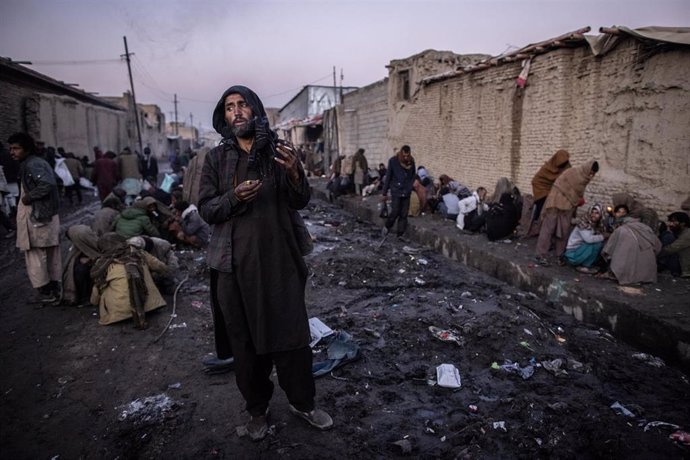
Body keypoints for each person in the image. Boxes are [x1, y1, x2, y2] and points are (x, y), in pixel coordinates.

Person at [198, 84, 332, 441]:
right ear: (223, 116)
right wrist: (233, 197)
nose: (237, 111)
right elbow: (207, 209)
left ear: (255, 111)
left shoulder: (279, 152)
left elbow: (301, 201)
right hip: (234, 268)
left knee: (292, 339)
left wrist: (294, 174)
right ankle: (257, 410)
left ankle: (303, 403)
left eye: (243, 105)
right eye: (229, 107)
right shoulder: (216, 159)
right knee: (245, 346)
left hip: (279, 265)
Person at [8, 132, 62, 304]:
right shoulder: (36, 163)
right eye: (11, 148)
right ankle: (54, 289)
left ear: (27, 149)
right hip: (45, 214)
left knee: (36, 255)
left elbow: (47, 184)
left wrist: (28, 197)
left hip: (38, 216)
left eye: (16, 148)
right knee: (50, 253)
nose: (12, 152)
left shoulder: (33, 164)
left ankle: (46, 293)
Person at [90, 232, 167, 329]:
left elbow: (96, 288)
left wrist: (94, 302)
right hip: (151, 306)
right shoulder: (138, 252)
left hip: (118, 314)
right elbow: (161, 267)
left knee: (103, 286)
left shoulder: (101, 264)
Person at [535, 160, 598, 266]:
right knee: (548, 230)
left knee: (564, 231)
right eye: (590, 172)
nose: (591, 176)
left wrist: (575, 201)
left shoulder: (584, 180)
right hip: (554, 204)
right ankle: (540, 255)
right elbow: (559, 186)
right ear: (587, 168)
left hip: (567, 207)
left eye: (593, 174)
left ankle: (559, 255)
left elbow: (577, 194)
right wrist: (575, 199)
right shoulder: (572, 173)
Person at [601, 214, 661, 284]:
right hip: (648, 275)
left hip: (625, 269)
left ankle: (617, 273)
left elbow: (608, 249)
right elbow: (658, 246)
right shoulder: (647, 229)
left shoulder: (621, 230)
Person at [529, 149, 571, 236]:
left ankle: (549, 234)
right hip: (542, 193)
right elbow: (536, 181)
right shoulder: (547, 168)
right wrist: (546, 193)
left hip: (555, 194)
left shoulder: (566, 168)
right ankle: (541, 232)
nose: (562, 165)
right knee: (543, 213)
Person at [381, 145, 416, 238]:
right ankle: (387, 226)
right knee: (395, 211)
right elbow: (388, 177)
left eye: (407, 156)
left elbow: (413, 175)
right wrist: (384, 193)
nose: (405, 158)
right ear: (401, 153)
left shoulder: (411, 162)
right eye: (404, 156)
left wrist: (410, 186)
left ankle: (400, 234)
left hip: (406, 191)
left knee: (404, 214)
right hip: (396, 190)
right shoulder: (393, 161)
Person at [562, 203, 606, 274]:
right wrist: (604, 236)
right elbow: (589, 239)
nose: (593, 215)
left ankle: (587, 264)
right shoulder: (583, 223)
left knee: (599, 244)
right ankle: (585, 266)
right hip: (573, 254)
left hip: (581, 251)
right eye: (592, 212)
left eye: (597, 213)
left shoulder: (597, 225)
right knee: (595, 243)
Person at [658, 212, 690, 278]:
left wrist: (654, 254)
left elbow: (671, 249)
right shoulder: (680, 232)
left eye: (674, 222)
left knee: (667, 236)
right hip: (680, 264)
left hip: (684, 269)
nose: (670, 224)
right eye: (670, 221)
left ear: (683, 223)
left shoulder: (688, 234)